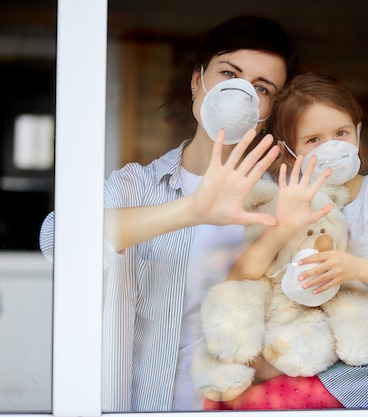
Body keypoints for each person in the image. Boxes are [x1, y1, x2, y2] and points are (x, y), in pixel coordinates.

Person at [38, 15, 313, 412]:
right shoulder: (135, 186)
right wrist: (193, 209)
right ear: (196, 80)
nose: (240, 93)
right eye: (228, 73)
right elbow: (56, 241)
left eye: (261, 88)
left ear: (271, 109)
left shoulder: (284, 202)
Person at [212, 72, 368, 410]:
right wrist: (284, 225)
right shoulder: (292, 201)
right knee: (218, 402)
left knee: (258, 404)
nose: (331, 147)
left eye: (341, 133)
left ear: (358, 132)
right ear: (288, 152)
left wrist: (354, 267)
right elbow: (239, 278)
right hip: (320, 341)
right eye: (313, 140)